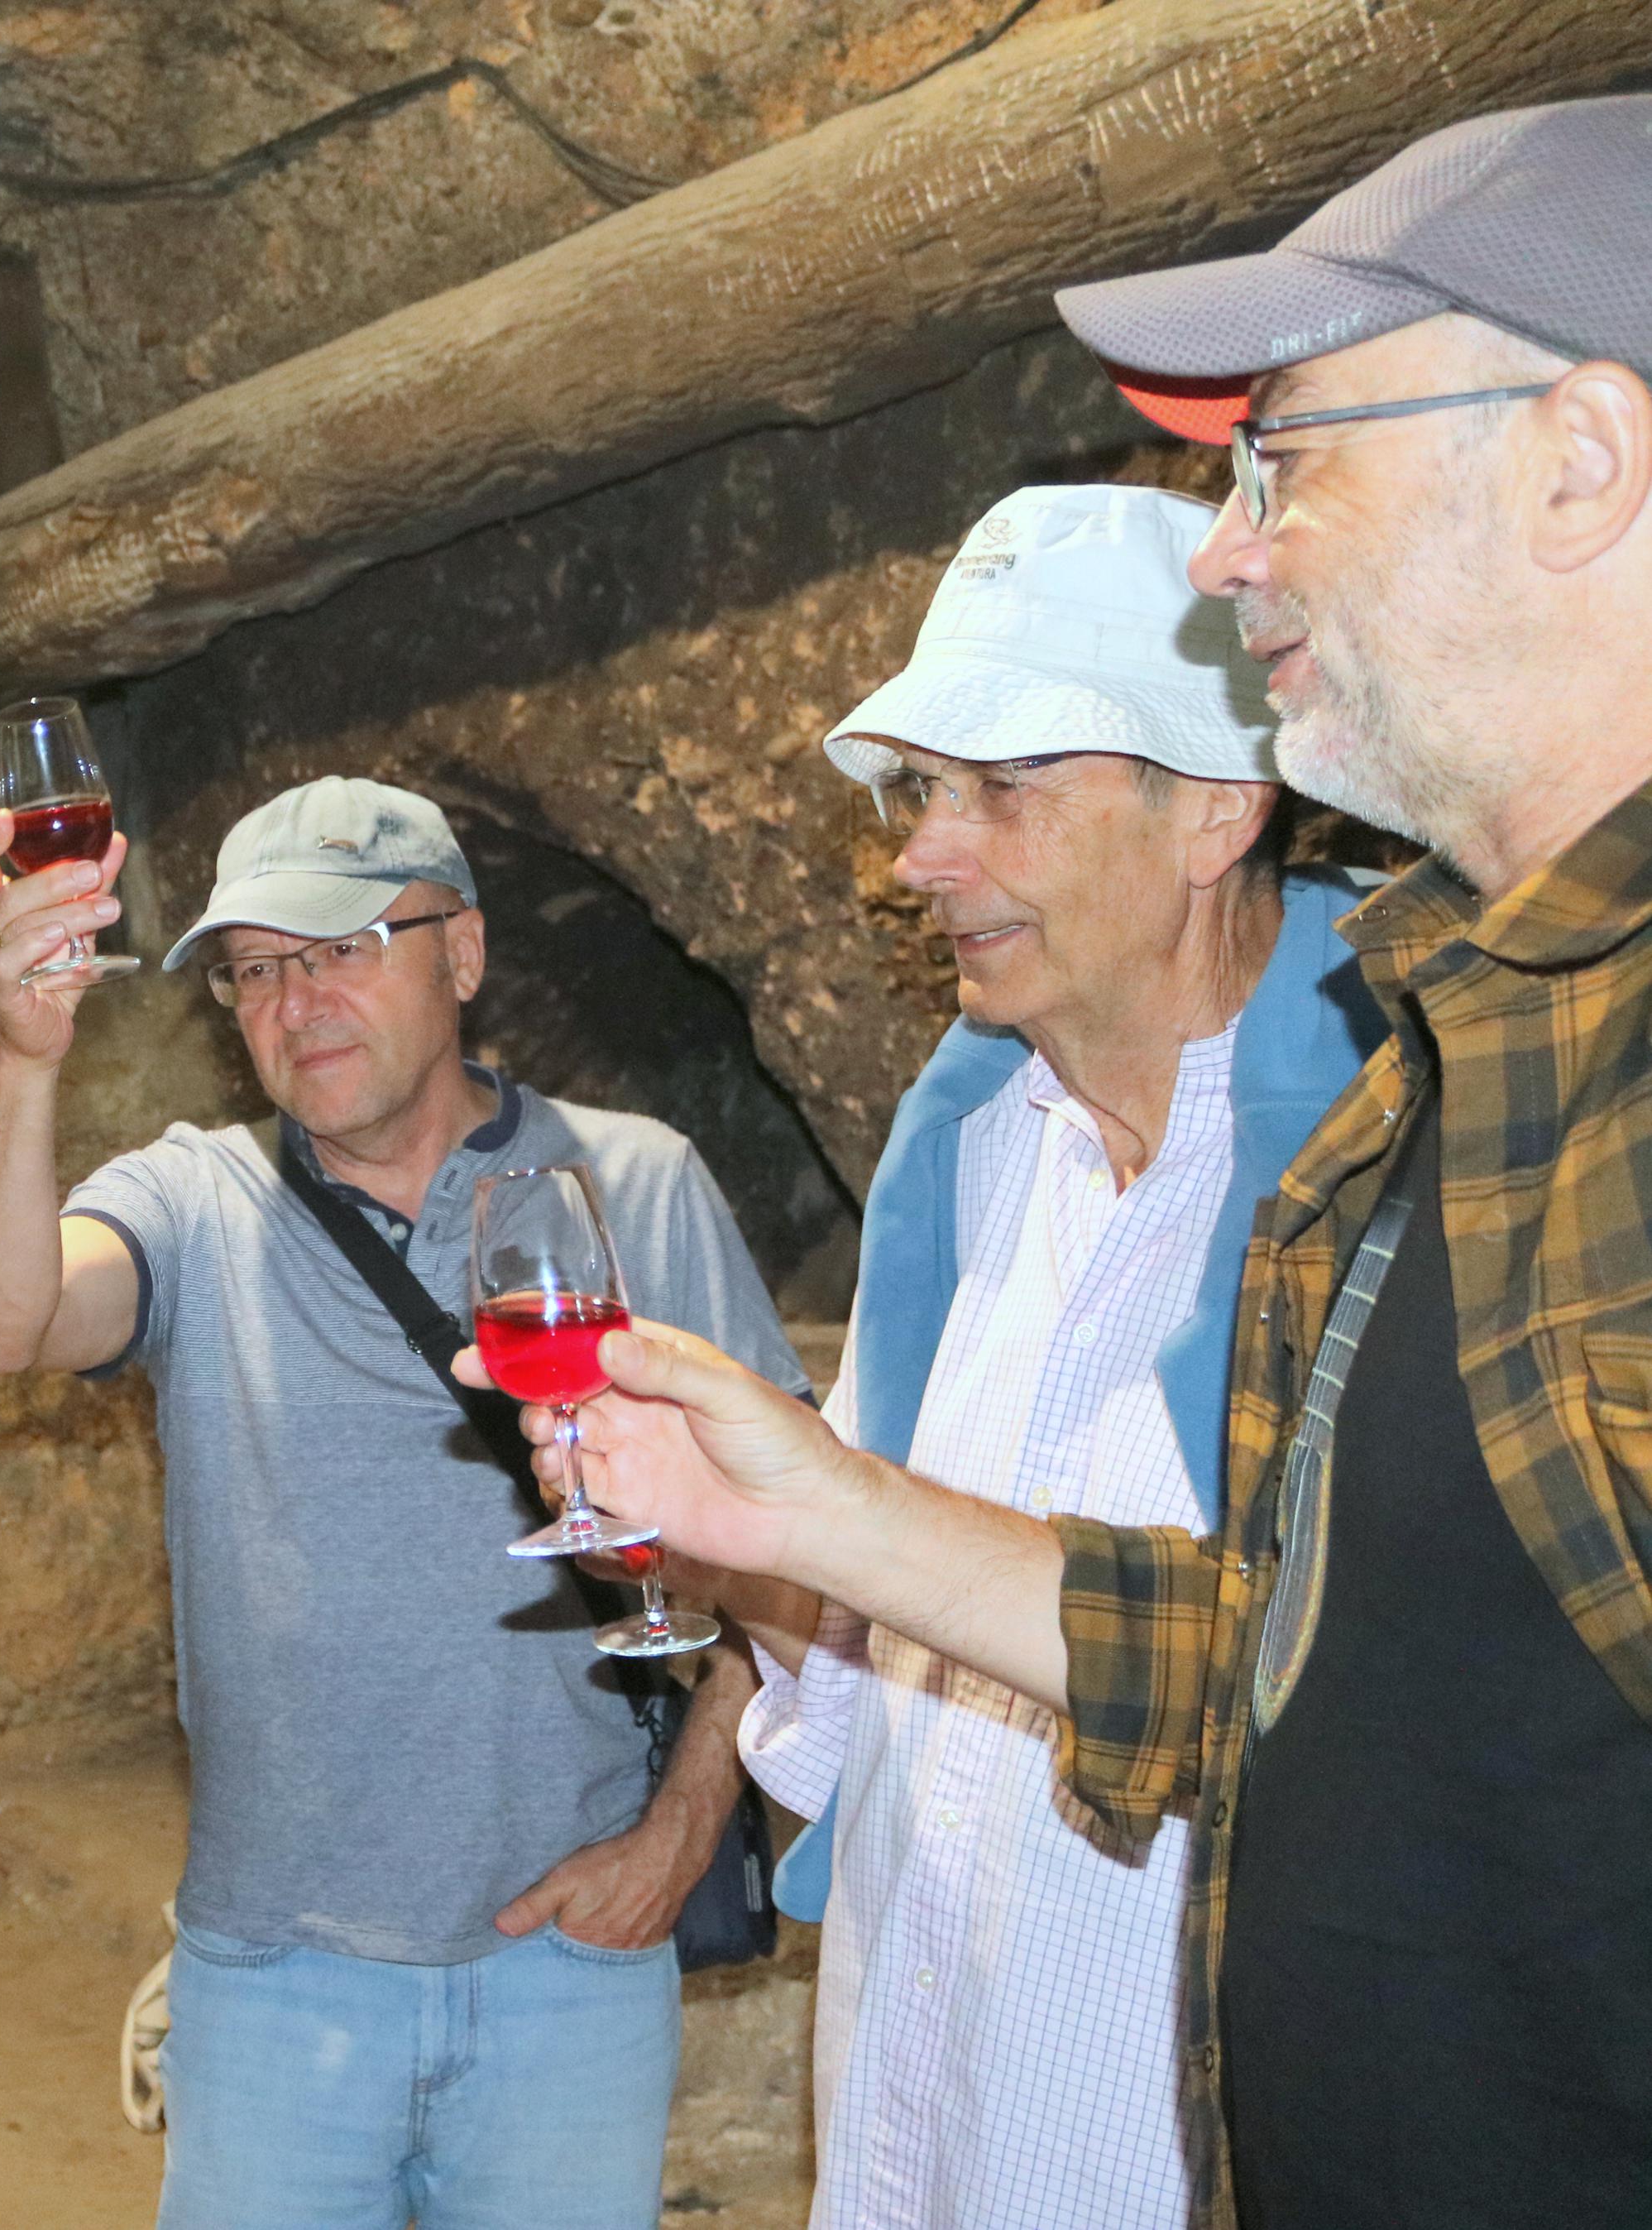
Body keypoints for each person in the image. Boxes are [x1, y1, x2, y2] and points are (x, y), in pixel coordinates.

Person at [471, 97, 1652, 2230]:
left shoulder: (1431, 1091)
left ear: (1582, 458)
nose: (1229, 548)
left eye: (1289, 461)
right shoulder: (1445, 1068)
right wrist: (812, 1521)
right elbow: (1303, 1679)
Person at [0, 774, 804, 2230]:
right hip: (274, 1976)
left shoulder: (632, 1184)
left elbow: (796, 1559)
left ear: (462, 952)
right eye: (255, 969)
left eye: (343, 949)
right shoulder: (195, 1202)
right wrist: (22, 1062)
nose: (298, 1002)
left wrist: (680, 1836)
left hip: (567, 1969)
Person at [714, 481, 1385, 2228]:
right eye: (923, 791)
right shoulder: (966, 1149)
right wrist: (723, 1541)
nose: (922, 857)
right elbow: (863, 1658)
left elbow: (1386, 1728)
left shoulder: (1391, 1170)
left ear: (1217, 806)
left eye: (1005, 789)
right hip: (917, 2118)